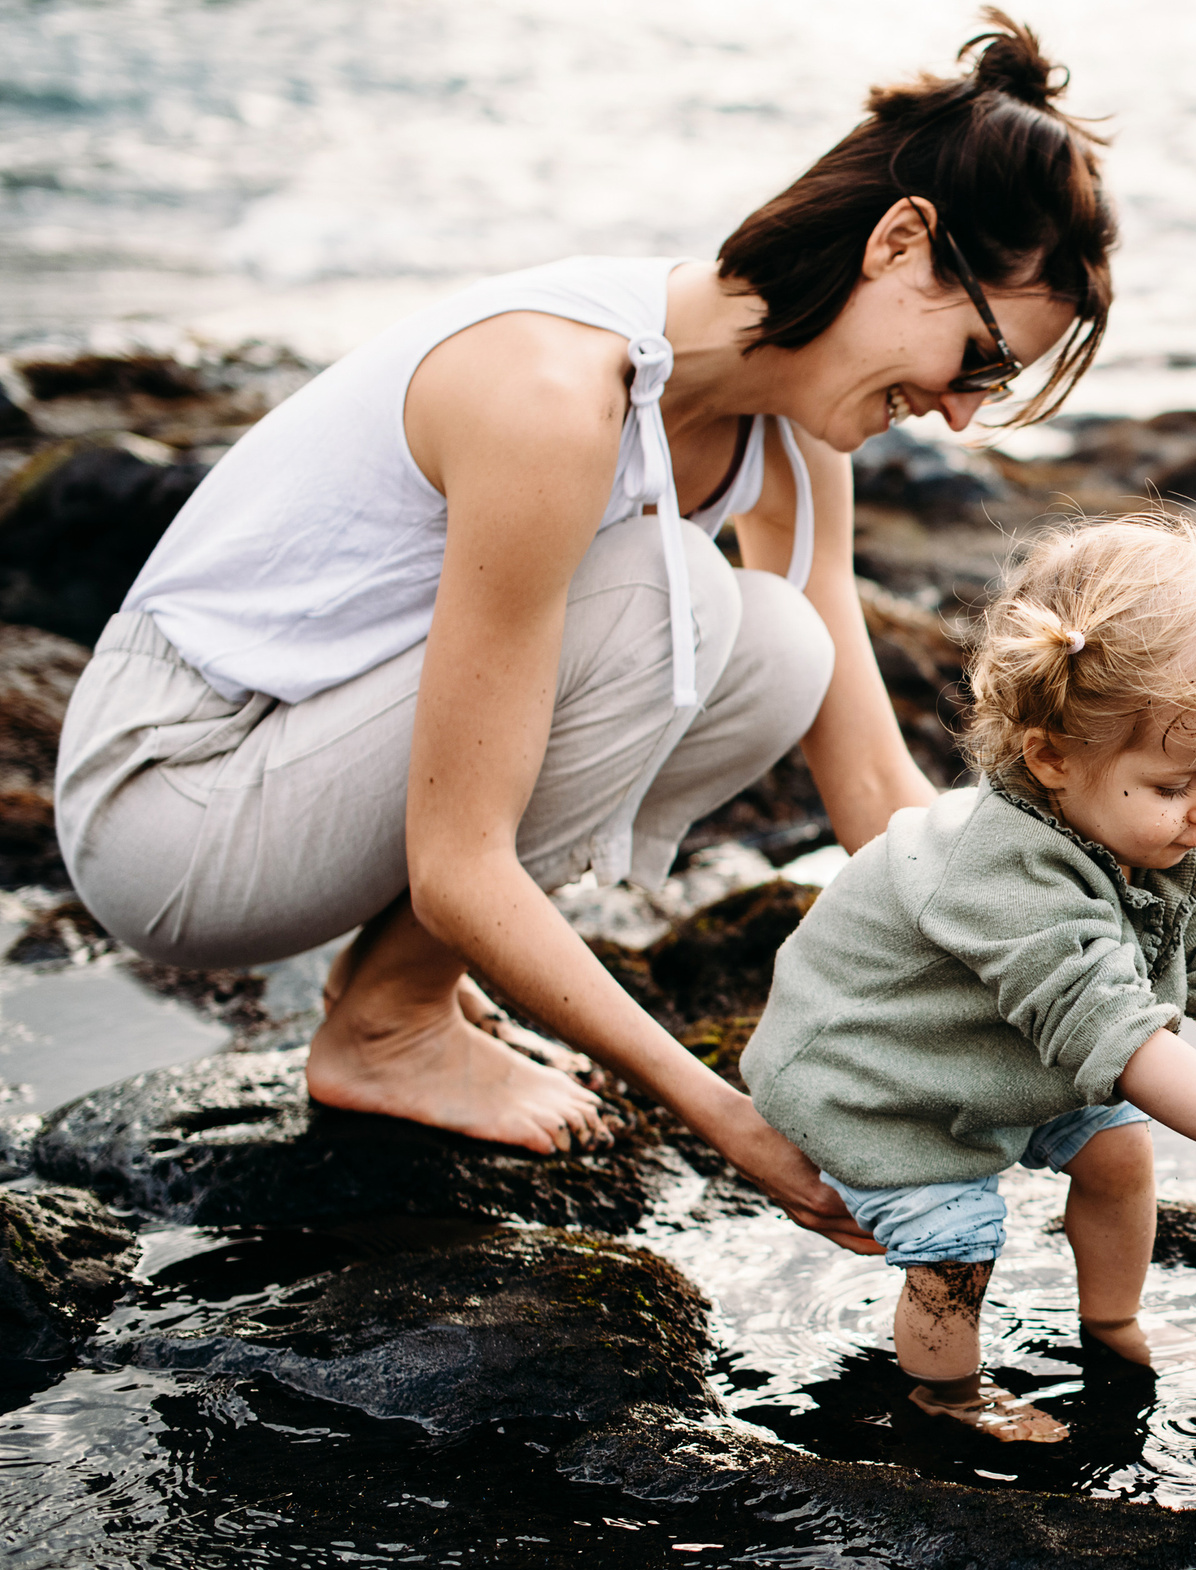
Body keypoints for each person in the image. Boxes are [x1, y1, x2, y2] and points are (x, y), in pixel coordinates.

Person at [51, 14, 1112, 1254]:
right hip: (169, 802)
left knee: (777, 647)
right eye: (977, 357)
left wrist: (1066, 991)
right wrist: (732, 1119)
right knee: (671, 596)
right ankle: (391, 1022)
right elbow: (458, 858)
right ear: (898, 242)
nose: (960, 415)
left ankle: (395, 990)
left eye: (992, 384)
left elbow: (874, 790)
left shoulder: (788, 440)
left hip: (292, 763)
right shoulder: (556, 394)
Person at [741, 513, 1196, 1441]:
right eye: (1176, 784)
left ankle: (1114, 1324)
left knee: (1121, 1151)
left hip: (1005, 1051)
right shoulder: (1001, 871)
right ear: (1051, 756)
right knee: (954, 1247)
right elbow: (1119, 1037)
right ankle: (946, 1395)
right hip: (884, 1073)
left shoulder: (1185, 839)